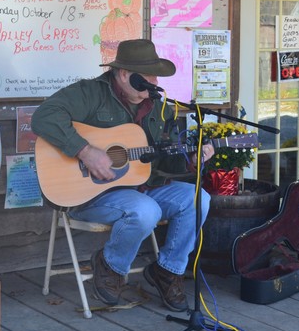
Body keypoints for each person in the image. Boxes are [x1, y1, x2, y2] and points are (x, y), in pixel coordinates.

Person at [32, 39, 214, 312]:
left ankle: (167, 270)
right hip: (89, 195)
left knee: (198, 198)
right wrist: (85, 151)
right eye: (147, 79)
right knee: (146, 210)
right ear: (125, 74)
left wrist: (190, 161)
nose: (152, 85)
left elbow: (163, 160)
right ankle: (111, 266)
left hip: (142, 187)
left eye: (155, 78)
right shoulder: (89, 93)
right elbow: (43, 117)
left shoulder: (158, 107)